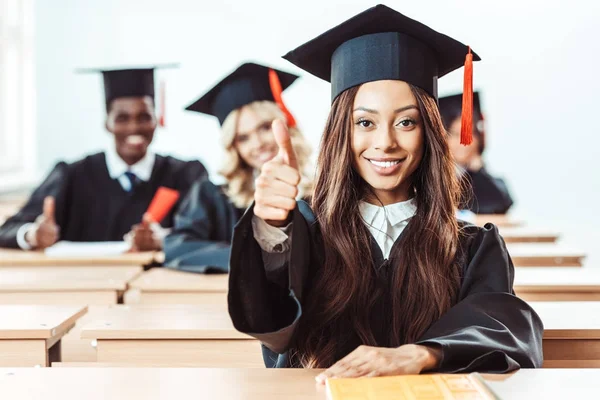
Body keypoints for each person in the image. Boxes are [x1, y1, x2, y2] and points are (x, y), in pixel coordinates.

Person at [227, 4, 543, 380]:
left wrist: (423, 355)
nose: (385, 142)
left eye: (406, 122)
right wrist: (269, 226)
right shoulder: (306, 235)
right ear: (341, 133)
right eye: (365, 122)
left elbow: (503, 326)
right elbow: (267, 323)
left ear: (429, 132)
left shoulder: (471, 247)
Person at [0, 66, 207, 251]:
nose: (134, 127)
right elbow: (8, 229)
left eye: (144, 117)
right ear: (107, 123)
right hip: (84, 287)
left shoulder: (185, 175)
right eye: (122, 118)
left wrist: (163, 239)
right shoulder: (71, 176)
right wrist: (33, 235)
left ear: (156, 120)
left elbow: (209, 231)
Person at [163, 63, 312, 272]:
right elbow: (177, 248)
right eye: (243, 138)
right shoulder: (213, 197)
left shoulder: (321, 189)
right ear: (233, 147)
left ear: (284, 125)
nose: (258, 143)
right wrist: (250, 257)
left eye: (265, 127)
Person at [439, 92, 514, 214]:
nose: (464, 142)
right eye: (456, 135)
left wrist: (479, 171)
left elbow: (500, 204)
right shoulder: (432, 176)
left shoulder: (482, 177)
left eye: (471, 134)